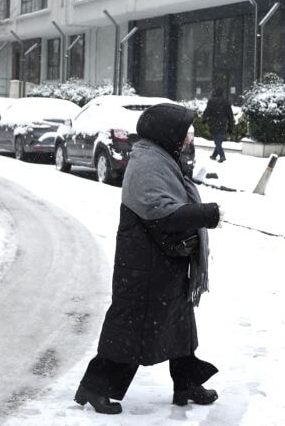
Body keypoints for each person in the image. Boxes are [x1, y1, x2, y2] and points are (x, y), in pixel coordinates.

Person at [74, 103, 223, 415]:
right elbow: (161, 213)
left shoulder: (161, 157)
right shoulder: (147, 164)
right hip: (143, 267)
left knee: (179, 323)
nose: (188, 139)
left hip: (162, 262)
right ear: (167, 133)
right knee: (131, 330)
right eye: (185, 132)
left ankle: (186, 384)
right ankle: (95, 386)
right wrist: (207, 214)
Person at [202, 87, 235, 163]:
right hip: (223, 123)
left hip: (213, 123)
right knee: (219, 140)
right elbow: (230, 115)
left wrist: (204, 119)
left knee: (217, 140)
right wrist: (230, 126)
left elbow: (207, 111)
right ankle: (214, 155)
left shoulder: (211, 101)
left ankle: (222, 155)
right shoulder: (226, 102)